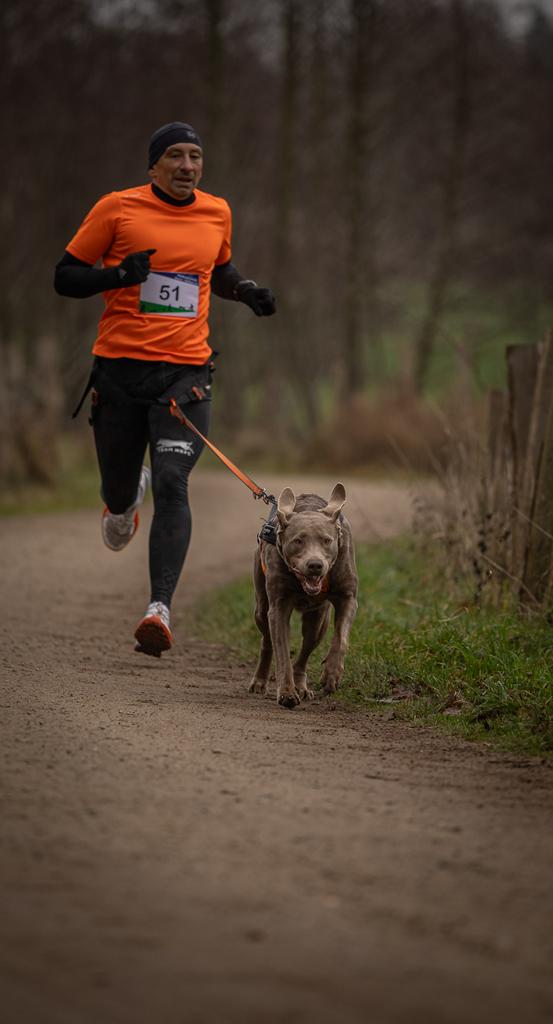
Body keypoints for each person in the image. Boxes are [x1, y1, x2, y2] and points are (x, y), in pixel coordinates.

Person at [54, 121, 275, 657]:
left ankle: (159, 609)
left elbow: (218, 270)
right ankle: (124, 500)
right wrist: (117, 277)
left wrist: (244, 291)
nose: (186, 165)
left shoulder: (217, 211)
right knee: (117, 488)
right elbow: (65, 276)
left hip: (185, 374)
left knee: (175, 484)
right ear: (153, 165)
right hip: (120, 373)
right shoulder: (117, 209)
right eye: (174, 155)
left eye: (195, 156)